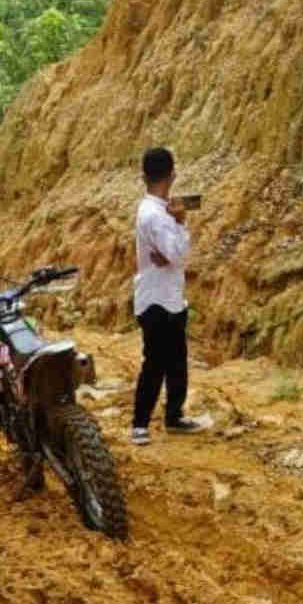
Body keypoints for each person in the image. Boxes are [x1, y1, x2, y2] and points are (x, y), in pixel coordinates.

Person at [130, 147, 205, 446]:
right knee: (156, 364)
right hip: (157, 300)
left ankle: (174, 416)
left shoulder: (154, 210)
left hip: (167, 297)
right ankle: (140, 424)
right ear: (172, 175)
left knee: (175, 361)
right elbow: (177, 255)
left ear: (144, 176)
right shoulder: (157, 216)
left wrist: (171, 247)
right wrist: (181, 223)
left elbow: (171, 257)